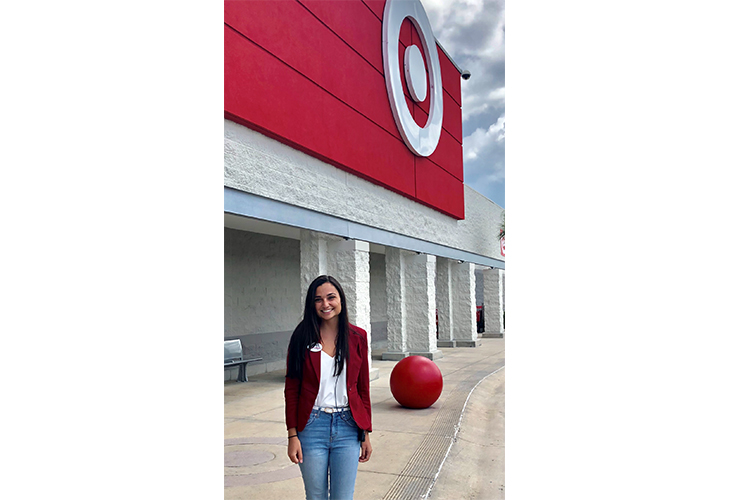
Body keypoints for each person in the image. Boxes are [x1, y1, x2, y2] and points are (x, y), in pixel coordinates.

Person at [285, 275, 373, 500]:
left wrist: (365, 433)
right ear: (311, 304)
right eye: (318, 299)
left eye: (330, 297)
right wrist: (292, 435)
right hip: (311, 427)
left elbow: (363, 389)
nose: (325, 304)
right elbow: (292, 388)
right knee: (316, 496)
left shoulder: (358, 337)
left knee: (343, 497)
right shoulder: (301, 336)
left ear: (340, 299)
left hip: (348, 427)